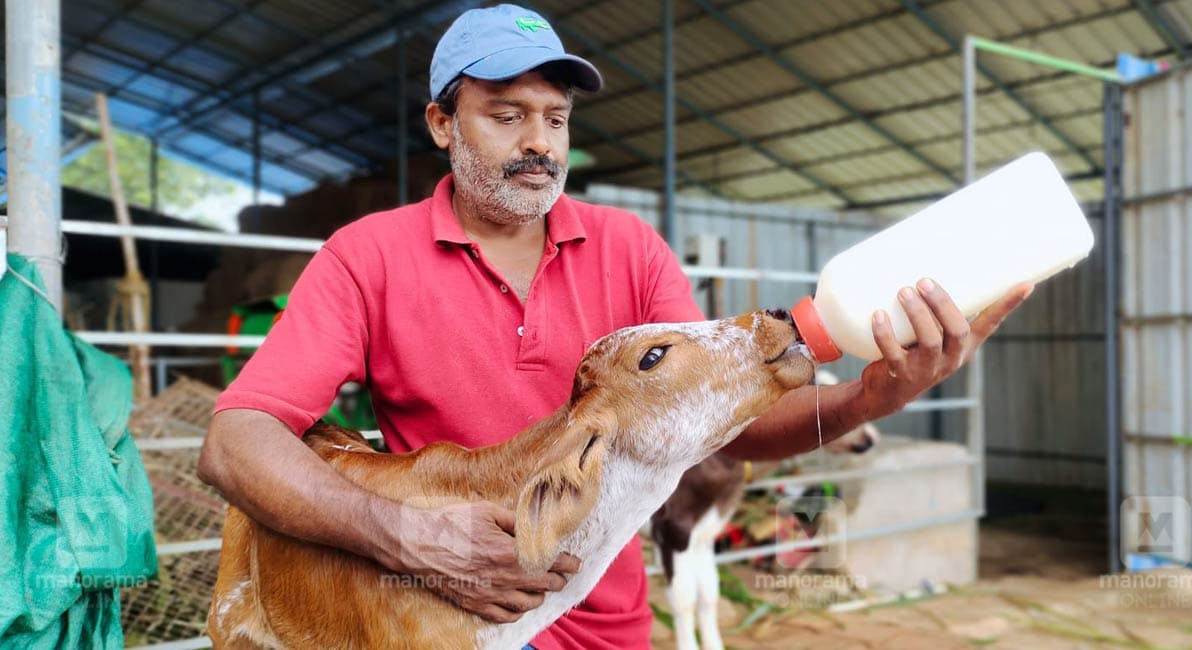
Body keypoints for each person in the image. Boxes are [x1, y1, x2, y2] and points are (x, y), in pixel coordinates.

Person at [196, 4, 1033, 649]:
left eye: (555, 118)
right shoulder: (367, 256)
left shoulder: (629, 249)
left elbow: (720, 425)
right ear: (442, 123)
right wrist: (408, 534)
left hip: (606, 627)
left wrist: (871, 397)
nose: (540, 143)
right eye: (506, 114)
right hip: (441, 618)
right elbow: (236, 439)